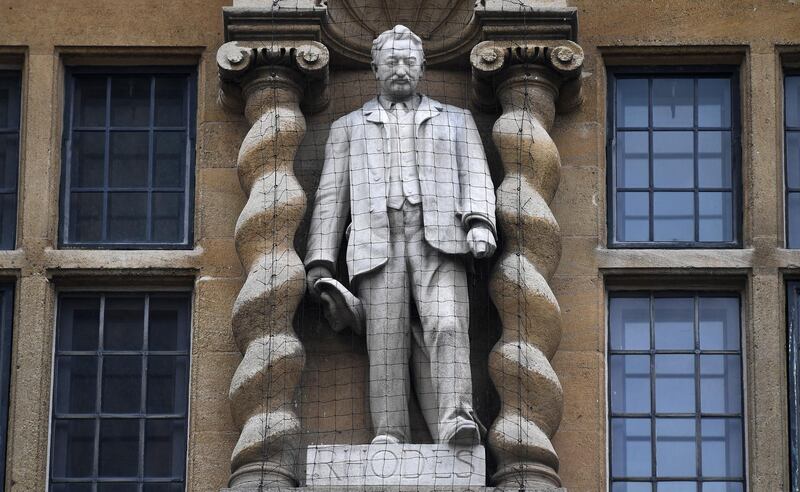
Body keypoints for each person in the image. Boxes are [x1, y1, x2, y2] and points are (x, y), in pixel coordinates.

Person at [305, 24, 496, 446]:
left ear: (423, 67)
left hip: (441, 239)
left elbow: (477, 176)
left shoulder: (457, 120)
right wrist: (320, 261)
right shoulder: (348, 126)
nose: (401, 68)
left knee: (447, 325)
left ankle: (456, 418)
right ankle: (389, 432)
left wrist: (480, 221)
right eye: (391, 60)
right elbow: (331, 196)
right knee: (385, 342)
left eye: (409, 60)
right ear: (374, 68)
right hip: (376, 241)